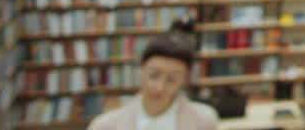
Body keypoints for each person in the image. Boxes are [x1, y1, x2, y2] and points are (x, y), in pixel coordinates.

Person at [87, 18, 220, 130]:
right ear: (141, 69)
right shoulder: (105, 125)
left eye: (172, 79)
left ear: (184, 79)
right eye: (154, 75)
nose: (159, 87)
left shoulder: (204, 120)